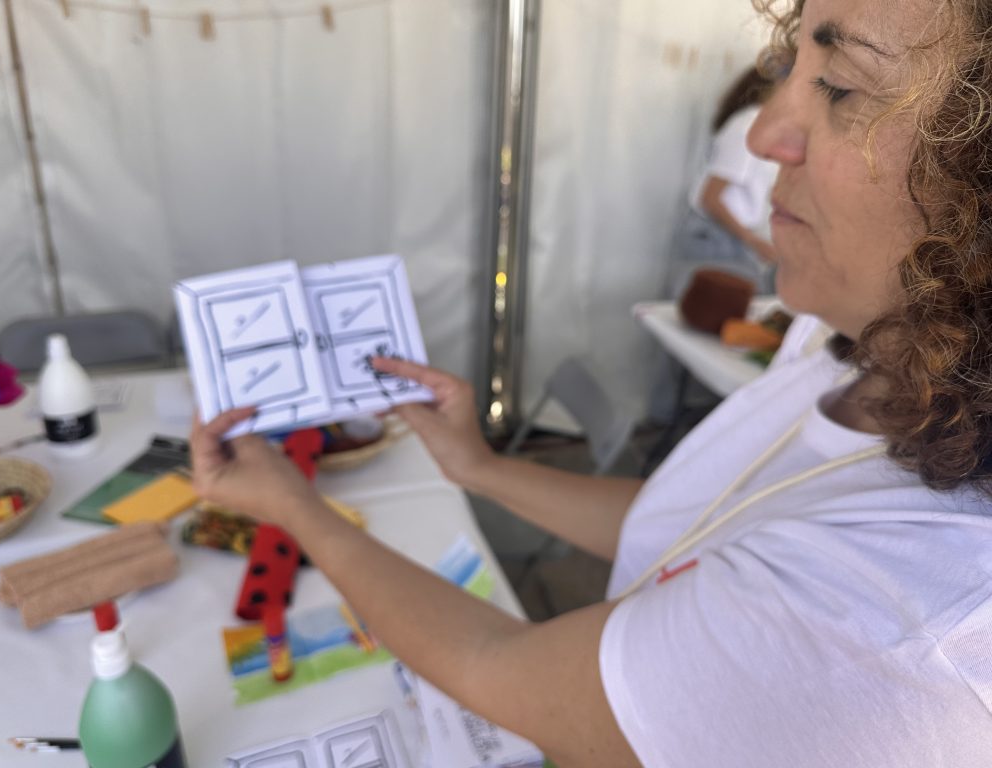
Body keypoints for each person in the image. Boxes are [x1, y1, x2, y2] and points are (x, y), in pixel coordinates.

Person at [191, 0, 992, 764]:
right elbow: (693, 521)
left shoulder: (888, 620)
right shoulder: (860, 336)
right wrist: (479, 467)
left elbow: (493, 665)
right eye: (789, 68)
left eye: (841, 87)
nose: (763, 134)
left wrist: (295, 508)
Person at [666, 65, 778, 298]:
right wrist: (753, 241)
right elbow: (710, 197)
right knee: (714, 311)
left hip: (726, 236)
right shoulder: (749, 127)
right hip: (717, 238)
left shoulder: (757, 124)